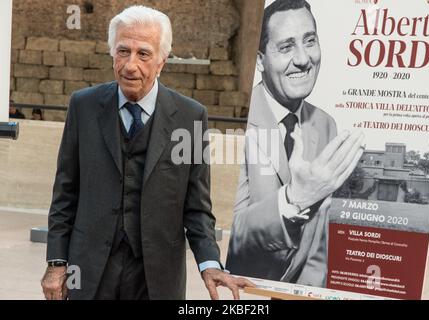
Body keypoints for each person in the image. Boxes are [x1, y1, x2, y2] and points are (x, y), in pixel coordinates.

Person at [41, 5, 253, 300]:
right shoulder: (83, 106)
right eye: (122, 51)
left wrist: (209, 262)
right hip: (87, 270)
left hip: (157, 277)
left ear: (162, 61)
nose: (130, 65)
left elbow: (197, 206)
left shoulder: (190, 117)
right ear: (111, 53)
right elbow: (65, 193)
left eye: (143, 54)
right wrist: (56, 264)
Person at [226, 0, 365, 287]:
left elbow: (318, 243)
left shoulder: (325, 124)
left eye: (309, 41)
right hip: (249, 290)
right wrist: (294, 200)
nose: (303, 58)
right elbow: (233, 232)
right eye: (286, 47)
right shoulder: (240, 122)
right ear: (261, 60)